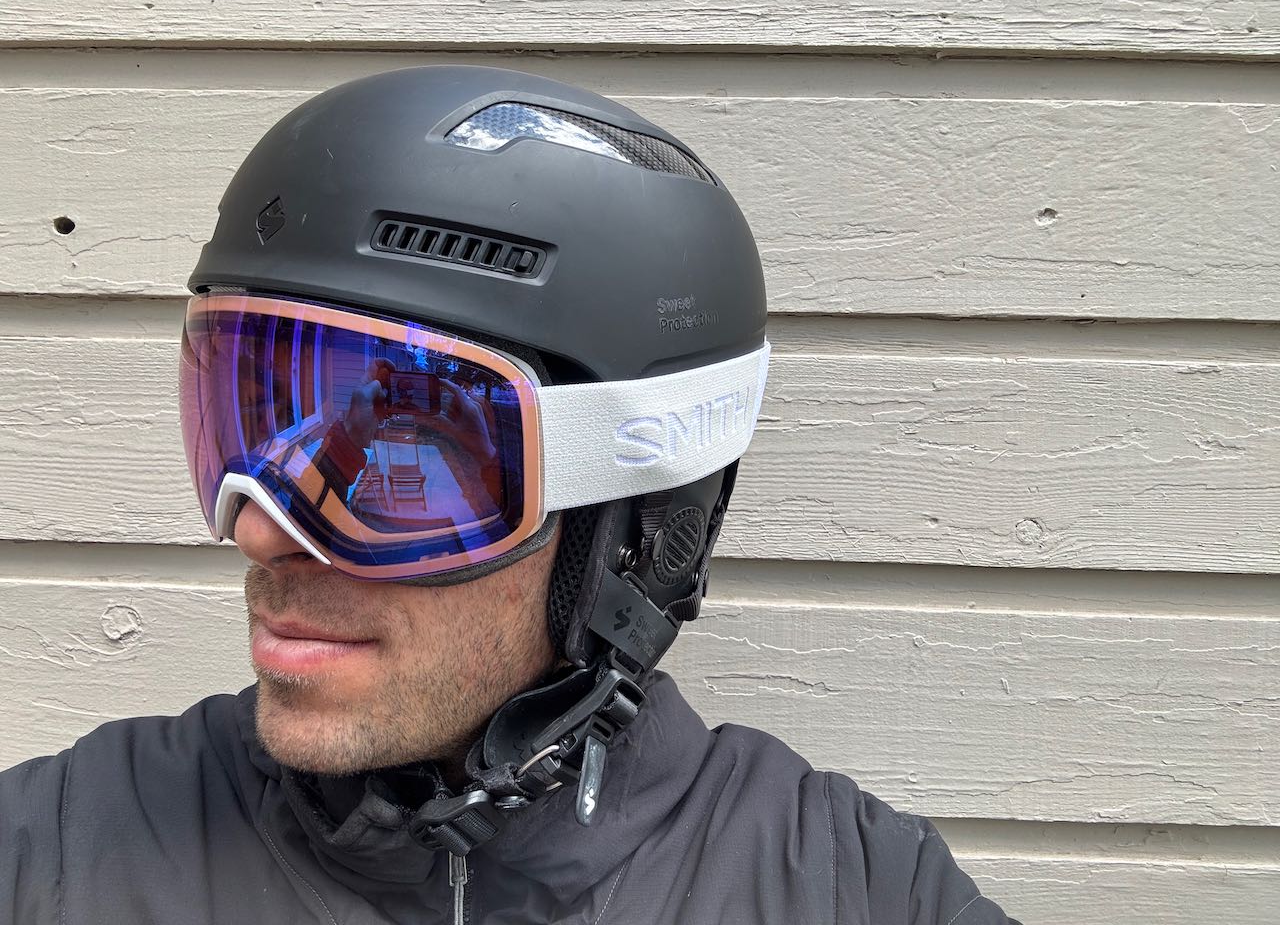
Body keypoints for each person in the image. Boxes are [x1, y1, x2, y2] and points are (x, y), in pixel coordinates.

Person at [0, 66, 1019, 924]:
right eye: (254, 420)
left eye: (408, 451)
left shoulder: (846, 890)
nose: (262, 527)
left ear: (631, 539)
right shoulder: (61, 849)